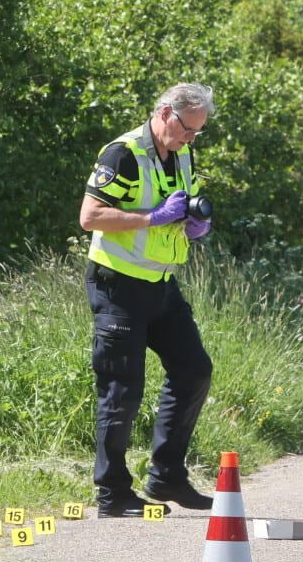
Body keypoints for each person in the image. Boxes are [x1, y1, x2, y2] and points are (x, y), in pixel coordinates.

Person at [78, 83, 217, 517]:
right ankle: (112, 493)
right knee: (122, 392)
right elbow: (89, 216)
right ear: (164, 113)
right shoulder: (122, 153)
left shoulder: (182, 153)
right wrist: (151, 218)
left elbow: (179, 209)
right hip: (117, 285)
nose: (189, 139)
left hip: (160, 284)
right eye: (186, 130)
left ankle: (167, 477)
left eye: (197, 133)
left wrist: (193, 225)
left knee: (194, 371)